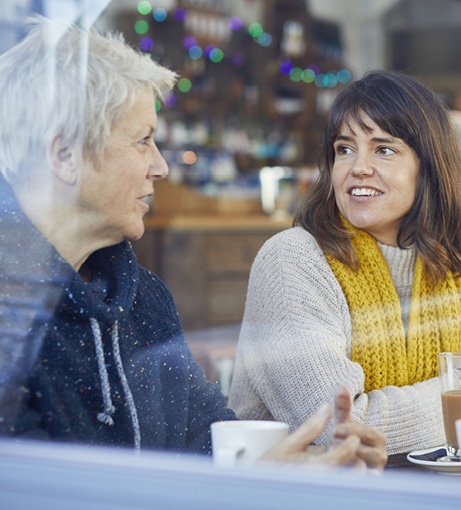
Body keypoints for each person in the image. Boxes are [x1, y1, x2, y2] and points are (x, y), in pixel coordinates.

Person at [0, 16, 386, 469]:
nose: (161, 167)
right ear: (64, 156)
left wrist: (307, 464)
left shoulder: (143, 299)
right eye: (142, 141)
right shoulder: (14, 310)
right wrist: (248, 487)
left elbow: (208, 443)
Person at [228, 70, 461, 456]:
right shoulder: (293, 261)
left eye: (383, 149)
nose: (358, 167)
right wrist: (456, 400)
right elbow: (341, 433)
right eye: (344, 149)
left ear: (428, 165)